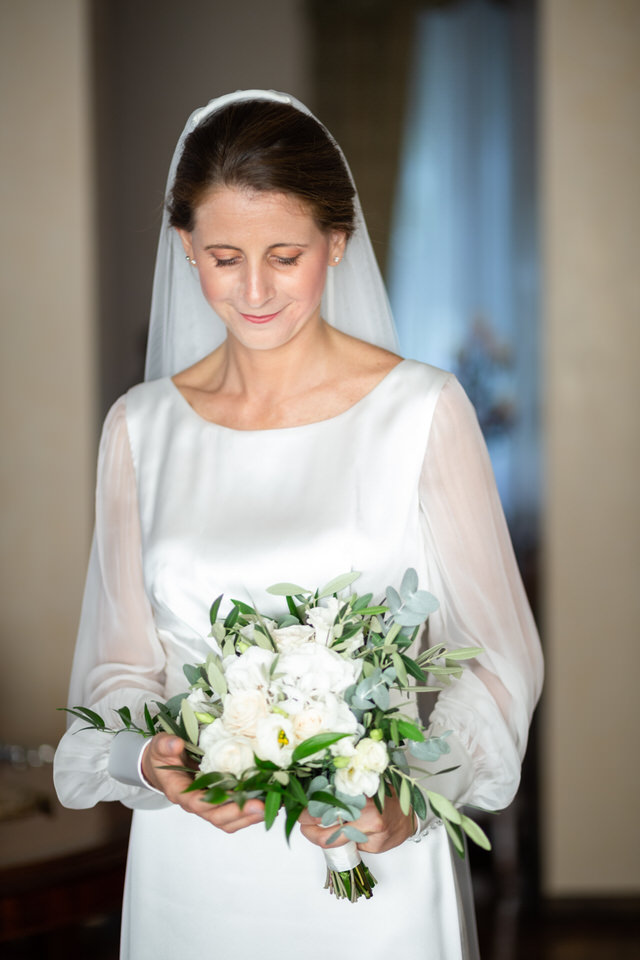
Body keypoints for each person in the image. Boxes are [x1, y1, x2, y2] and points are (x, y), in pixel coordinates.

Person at [54, 90, 543, 960]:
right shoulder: (140, 427)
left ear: (337, 243)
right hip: (196, 862)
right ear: (184, 250)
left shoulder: (422, 410)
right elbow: (118, 670)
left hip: (370, 857)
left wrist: (412, 789)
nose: (253, 291)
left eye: (285, 255)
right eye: (222, 257)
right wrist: (147, 760)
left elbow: (499, 661)